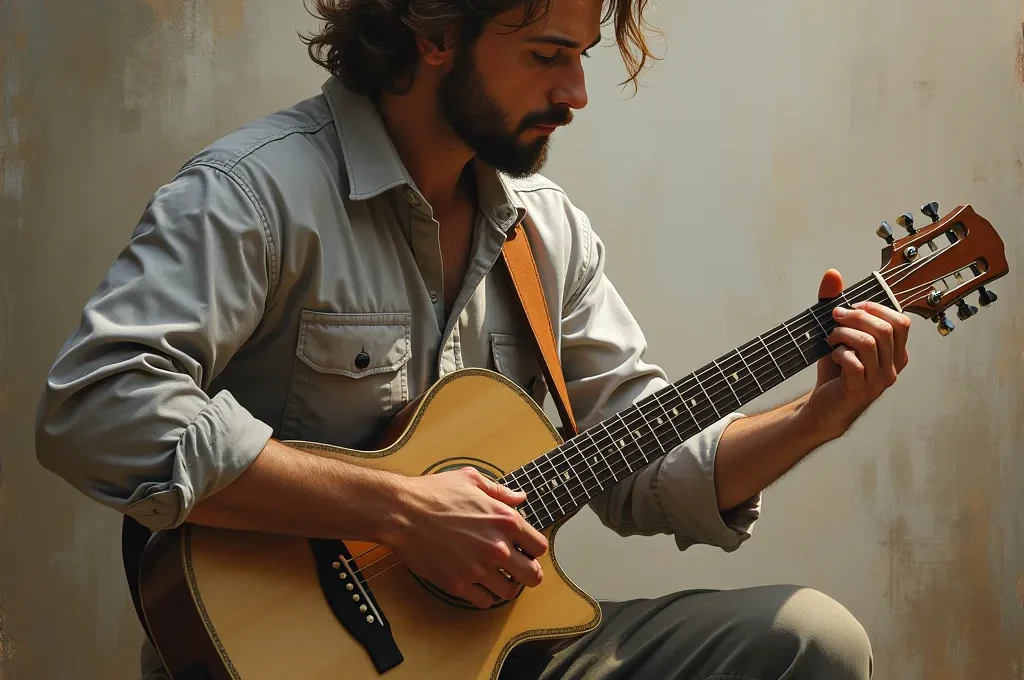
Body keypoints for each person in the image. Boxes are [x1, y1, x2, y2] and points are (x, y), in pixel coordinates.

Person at [35, 1, 911, 678]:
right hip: (296, 660)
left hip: (505, 651)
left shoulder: (545, 234)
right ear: (437, 33)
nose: (575, 95)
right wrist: (401, 511)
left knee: (808, 641)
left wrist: (817, 415)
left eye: (581, 55)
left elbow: (647, 464)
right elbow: (98, 406)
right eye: (547, 56)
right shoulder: (254, 196)